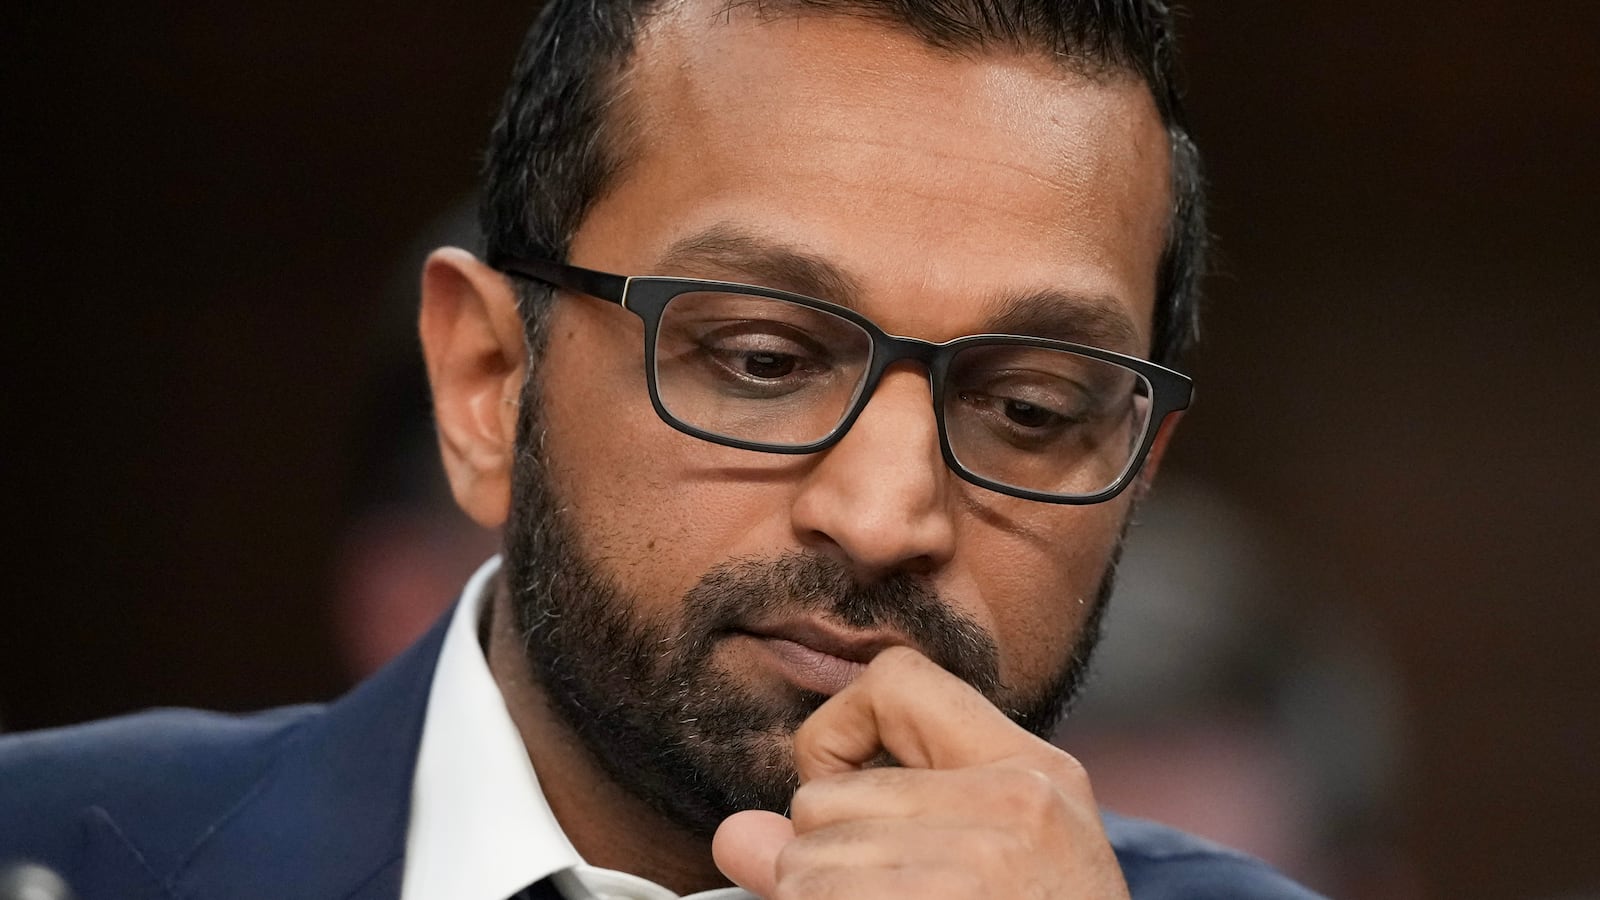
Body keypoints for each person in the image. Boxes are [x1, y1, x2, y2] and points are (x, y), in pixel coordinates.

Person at [0, 0, 1324, 897]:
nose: (883, 513)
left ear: (1137, 476)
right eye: (760, 364)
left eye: (1029, 409)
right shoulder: (54, 850)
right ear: (485, 381)